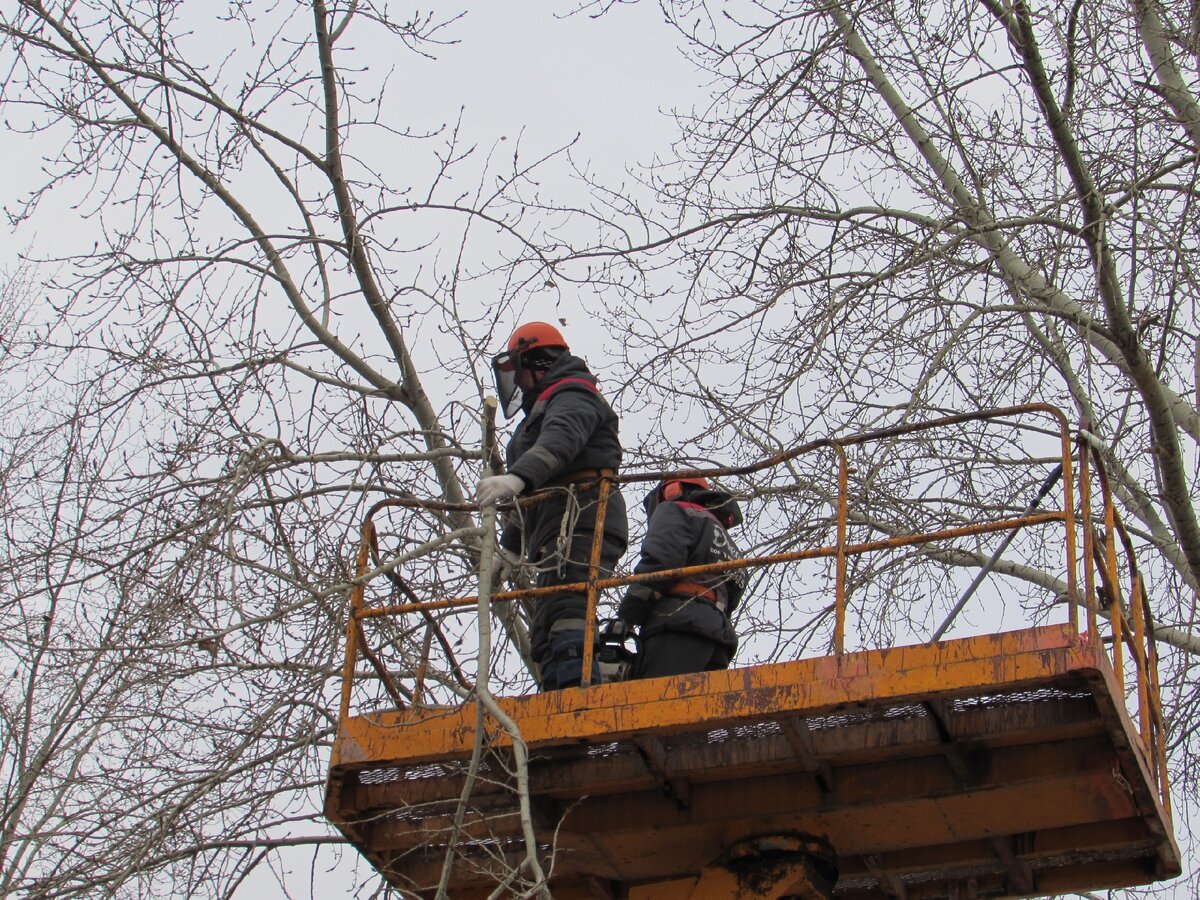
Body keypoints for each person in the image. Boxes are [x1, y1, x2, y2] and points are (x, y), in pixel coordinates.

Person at [477, 322, 628, 690]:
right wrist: (510, 550)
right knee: (544, 630)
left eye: (520, 371)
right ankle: (559, 698)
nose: (519, 383)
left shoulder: (574, 394)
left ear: (537, 362)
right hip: (553, 530)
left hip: (585, 517)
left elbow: (561, 440)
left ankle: (577, 700)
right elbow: (534, 497)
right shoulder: (538, 416)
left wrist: (518, 478)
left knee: (567, 609)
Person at [617, 475, 746, 678]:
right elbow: (736, 589)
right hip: (719, 640)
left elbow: (660, 563)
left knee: (655, 704)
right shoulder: (724, 538)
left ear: (671, 490)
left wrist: (626, 616)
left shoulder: (675, 510)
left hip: (678, 628)